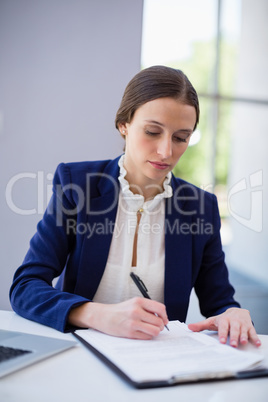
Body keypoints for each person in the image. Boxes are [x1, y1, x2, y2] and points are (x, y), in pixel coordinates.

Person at [10, 65, 261, 348]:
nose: (166, 151)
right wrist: (97, 314)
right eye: (153, 131)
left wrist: (234, 315)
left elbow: (221, 303)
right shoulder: (76, 185)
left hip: (157, 366)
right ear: (124, 124)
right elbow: (25, 287)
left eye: (181, 138)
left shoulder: (201, 207)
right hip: (77, 354)